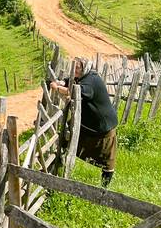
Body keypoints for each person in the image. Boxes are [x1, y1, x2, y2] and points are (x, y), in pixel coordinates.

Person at [50, 57, 118, 187]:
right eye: (74, 67)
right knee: (65, 139)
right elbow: (72, 81)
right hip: (87, 124)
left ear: (84, 68)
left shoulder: (91, 80)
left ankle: (104, 189)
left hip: (102, 126)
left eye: (78, 67)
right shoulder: (83, 76)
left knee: (107, 160)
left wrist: (57, 88)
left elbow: (79, 91)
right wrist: (63, 82)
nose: (75, 70)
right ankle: (55, 168)